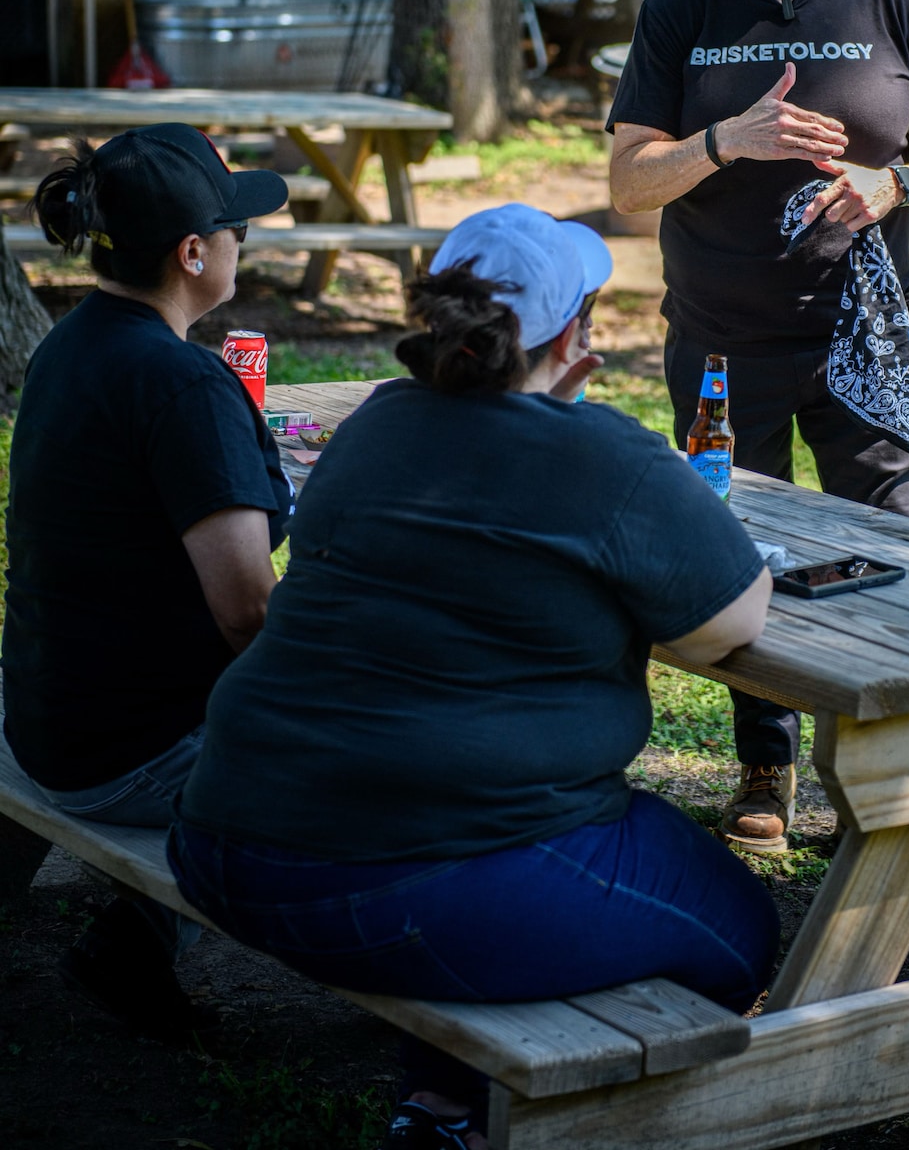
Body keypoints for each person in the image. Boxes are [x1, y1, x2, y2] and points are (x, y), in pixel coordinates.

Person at [167, 203, 778, 1150]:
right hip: (396, 878)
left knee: (544, 858)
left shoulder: (376, 422)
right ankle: (509, 1112)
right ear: (574, 335)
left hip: (221, 837)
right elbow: (730, 625)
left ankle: (441, 1107)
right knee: (744, 927)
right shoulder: (605, 451)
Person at [608, 0, 909, 853]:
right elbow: (630, 183)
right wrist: (726, 138)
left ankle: (895, 784)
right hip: (723, 340)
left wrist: (896, 179)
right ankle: (765, 768)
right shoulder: (680, 11)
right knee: (735, 554)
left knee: (891, 557)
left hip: (868, 344)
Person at [1, 123, 293, 1040]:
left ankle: (133, 939)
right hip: (129, 755)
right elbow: (249, 614)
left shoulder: (70, 345)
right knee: (398, 739)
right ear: (194, 251)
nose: (247, 241)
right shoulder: (182, 384)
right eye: (236, 227)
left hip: (52, 710)